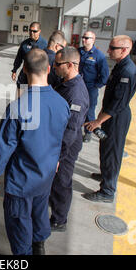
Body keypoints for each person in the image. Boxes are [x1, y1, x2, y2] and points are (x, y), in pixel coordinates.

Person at [0, 49, 70, 255]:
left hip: (21, 182)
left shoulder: (18, 107)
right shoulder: (62, 103)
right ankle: (39, 246)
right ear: (49, 69)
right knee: (40, 212)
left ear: (24, 70)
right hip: (46, 176)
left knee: (19, 224)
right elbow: (63, 137)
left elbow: (5, 146)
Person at [83, 35, 136, 203]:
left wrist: (97, 121)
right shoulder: (120, 66)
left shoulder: (127, 72)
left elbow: (118, 104)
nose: (108, 51)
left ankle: (107, 190)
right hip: (110, 115)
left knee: (112, 152)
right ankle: (105, 174)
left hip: (116, 118)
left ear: (124, 50)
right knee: (105, 147)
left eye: (112, 48)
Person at [49, 47, 89, 232]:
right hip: (58, 141)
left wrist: (58, 157)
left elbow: (70, 131)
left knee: (62, 181)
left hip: (66, 146)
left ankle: (59, 219)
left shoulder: (76, 94)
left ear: (70, 65)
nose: (54, 67)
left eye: (57, 64)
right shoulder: (65, 83)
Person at [78, 31, 109, 143]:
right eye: (83, 37)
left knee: (89, 111)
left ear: (93, 40)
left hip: (90, 88)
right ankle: (76, 130)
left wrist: (96, 86)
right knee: (76, 108)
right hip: (78, 87)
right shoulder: (78, 52)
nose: (84, 40)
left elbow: (105, 75)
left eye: (87, 38)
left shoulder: (98, 56)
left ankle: (88, 132)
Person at [11, 22, 48, 92]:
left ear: (39, 31)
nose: (32, 33)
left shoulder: (45, 45)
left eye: (34, 31)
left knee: (34, 98)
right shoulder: (24, 44)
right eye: (30, 30)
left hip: (38, 76)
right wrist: (14, 70)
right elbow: (19, 58)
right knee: (21, 94)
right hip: (25, 74)